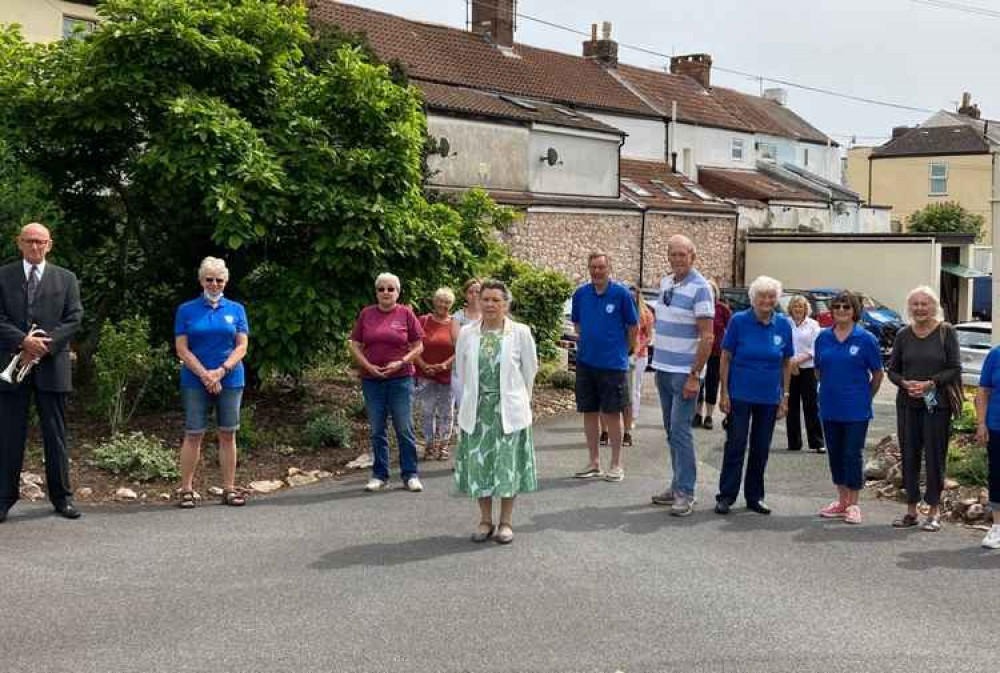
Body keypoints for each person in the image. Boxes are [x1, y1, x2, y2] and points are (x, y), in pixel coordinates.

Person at [0, 222, 83, 523]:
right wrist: (23, 341)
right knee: (8, 436)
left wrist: (45, 345)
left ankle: (62, 498)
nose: (35, 246)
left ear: (50, 244)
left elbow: (74, 317)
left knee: (56, 435)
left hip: (52, 366)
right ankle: (4, 499)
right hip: (13, 365)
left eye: (40, 241)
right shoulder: (3, 275)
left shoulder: (66, 278)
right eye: (29, 241)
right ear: (19, 243)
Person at [453, 279, 538, 545]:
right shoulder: (468, 333)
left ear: (506, 304)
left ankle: (506, 522)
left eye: (495, 300)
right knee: (481, 466)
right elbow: (462, 370)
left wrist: (520, 400)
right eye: (485, 299)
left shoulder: (520, 332)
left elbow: (529, 371)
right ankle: (485, 520)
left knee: (506, 467)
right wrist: (472, 398)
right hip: (478, 411)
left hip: (509, 411)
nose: (489, 304)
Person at [174, 257, 250, 508]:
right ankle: (186, 489)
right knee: (193, 433)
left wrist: (220, 371)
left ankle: (228, 488)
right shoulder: (186, 309)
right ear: (201, 280)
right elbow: (182, 349)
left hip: (230, 378)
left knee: (228, 434)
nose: (214, 284)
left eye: (219, 280)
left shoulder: (236, 309)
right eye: (210, 279)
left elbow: (242, 346)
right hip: (195, 380)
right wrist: (206, 375)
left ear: (226, 282)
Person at [715, 275, 792, 516]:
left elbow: (786, 362)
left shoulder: (783, 325)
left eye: (771, 296)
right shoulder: (739, 321)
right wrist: (724, 392)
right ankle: (726, 496)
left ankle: (754, 497)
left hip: (769, 397)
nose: (767, 300)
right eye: (762, 296)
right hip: (740, 395)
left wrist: (785, 396)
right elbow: (725, 358)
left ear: (776, 299)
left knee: (761, 448)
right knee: (735, 445)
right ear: (753, 298)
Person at [649, 235, 715, 516]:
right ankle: (677, 484)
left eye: (682, 254)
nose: (677, 259)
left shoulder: (700, 288)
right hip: (662, 368)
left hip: (684, 373)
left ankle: (686, 493)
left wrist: (694, 375)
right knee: (670, 432)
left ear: (693, 256)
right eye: (673, 254)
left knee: (680, 432)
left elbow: (708, 336)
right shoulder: (666, 283)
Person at [886, 286, 960, 531]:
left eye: (924, 304)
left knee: (935, 456)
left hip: (936, 405)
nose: (919, 308)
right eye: (915, 304)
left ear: (933, 306)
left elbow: (954, 368)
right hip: (908, 404)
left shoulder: (946, 332)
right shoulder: (903, 335)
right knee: (909, 455)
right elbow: (892, 369)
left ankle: (934, 512)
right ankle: (910, 510)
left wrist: (931, 383)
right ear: (910, 308)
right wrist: (904, 383)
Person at [348, 273, 425, 493]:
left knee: (404, 427)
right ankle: (379, 475)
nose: (386, 293)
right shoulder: (366, 314)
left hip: (400, 379)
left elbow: (419, 346)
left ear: (398, 292)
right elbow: (354, 343)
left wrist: (401, 362)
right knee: (376, 428)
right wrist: (367, 366)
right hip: (372, 380)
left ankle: (410, 474)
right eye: (381, 289)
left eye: (391, 289)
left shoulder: (406, 314)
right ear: (376, 292)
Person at [814, 291, 884, 525]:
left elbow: (877, 373)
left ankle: (854, 504)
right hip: (830, 406)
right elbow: (818, 369)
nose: (841, 310)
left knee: (852, 454)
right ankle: (841, 501)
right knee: (834, 454)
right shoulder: (823, 338)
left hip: (856, 409)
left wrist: (865, 397)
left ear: (855, 311)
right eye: (837, 306)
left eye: (846, 307)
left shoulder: (866, 339)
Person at [571, 252, 638, 483]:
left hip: (612, 365)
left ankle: (616, 464)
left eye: (601, 267)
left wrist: (624, 350)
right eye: (593, 267)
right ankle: (594, 462)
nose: (597, 271)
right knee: (589, 412)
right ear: (589, 269)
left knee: (611, 414)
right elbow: (577, 324)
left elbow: (632, 327)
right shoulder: (580, 294)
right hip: (586, 362)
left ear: (609, 268)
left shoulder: (621, 294)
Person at [416, 287, 456, 461]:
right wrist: (423, 365)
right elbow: (413, 346)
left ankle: (444, 445)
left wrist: (445, 365)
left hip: (447, 374)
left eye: (447, 302)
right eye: (440, 301)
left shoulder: (454, 324)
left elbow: (461, 349)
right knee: (427, 411)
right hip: (425, 374)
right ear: (434, 301)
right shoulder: (423, 321)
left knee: (447, 412)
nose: (443, 305)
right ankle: (429, 445)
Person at [785, 295, 825, 453]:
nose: (798, 309)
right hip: (789, 368)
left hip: (808, 368)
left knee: (811, 405)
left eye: (801, 306)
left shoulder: (813, 324)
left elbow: (816, 347)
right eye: (795, 306)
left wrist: (797, 361)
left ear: (805, 308)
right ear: (791, 308)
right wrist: (791, 363)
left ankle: (817, 442)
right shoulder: (785, 324)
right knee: (791, 404)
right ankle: (794, 443)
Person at [694, 279, 730, 431]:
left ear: (715, 292)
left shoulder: (722, 309)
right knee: (697, 382)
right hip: (699, 350)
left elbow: (731, 330)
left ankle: (709, 415)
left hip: (716, 352)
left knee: (712, 383)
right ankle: (697, 414)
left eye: (711, 290)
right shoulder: (696, 307)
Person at [975, 344, 1000, 548]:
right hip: (997, 425)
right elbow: (983, 391)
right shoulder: (995, 355)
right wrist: (981, 423)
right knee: (997, 476)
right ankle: (997, 527)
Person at [623, 283, 654, 447]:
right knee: (624, 388)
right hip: (625, 354)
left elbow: (649, 336)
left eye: (633, 295)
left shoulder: (646, 314)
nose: (631, 298)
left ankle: (633, 417)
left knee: (635, 387)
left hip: (640, 356)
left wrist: (638, 348)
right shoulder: (624, 311)